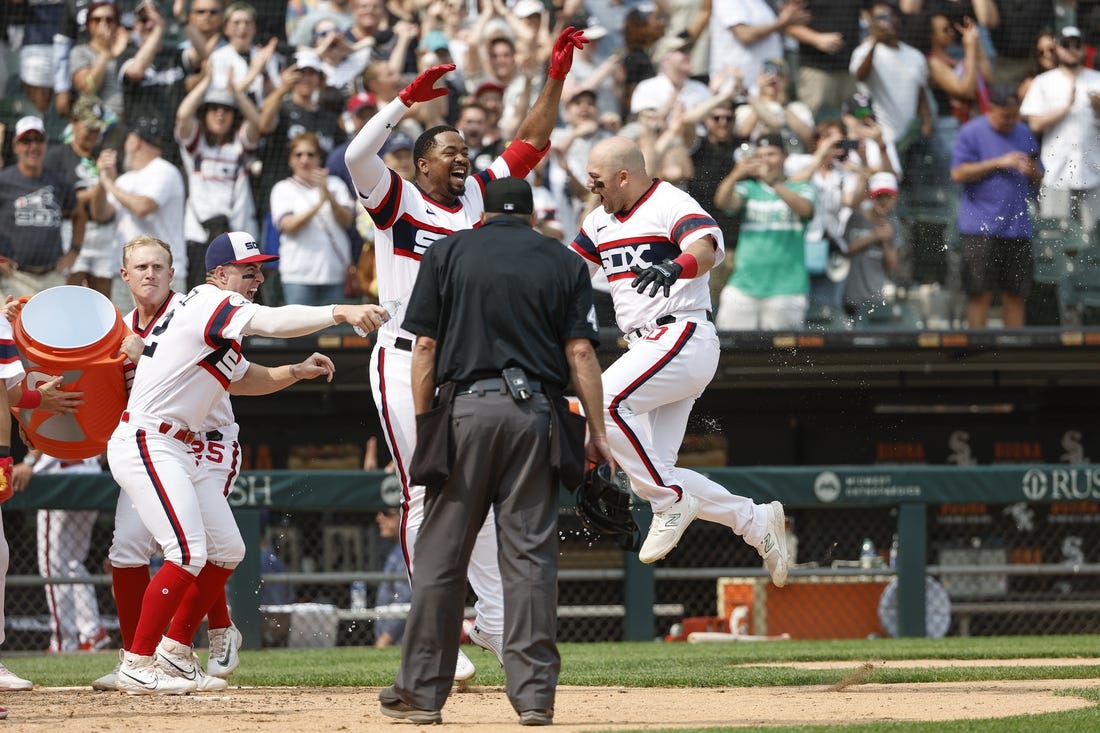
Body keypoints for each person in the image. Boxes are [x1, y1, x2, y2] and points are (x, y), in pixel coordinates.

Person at [344, 27, 589, 684]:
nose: (461, 157)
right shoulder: (397, 200)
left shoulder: (480, 193)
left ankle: (489, 621)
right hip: (402, 358)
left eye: (463, 150)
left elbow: (532, 142)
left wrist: (555, 77)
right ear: (421, 163)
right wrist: (403, 102)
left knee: (469, 493)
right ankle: (437, 640)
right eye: (448, 150)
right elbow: (354, 155)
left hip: (459, 365)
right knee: (427, 490)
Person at [106, 232, 387, 694]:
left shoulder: (205, 316)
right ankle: (137, 661)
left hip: (178, 445)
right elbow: (273, 322)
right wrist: (340, 311)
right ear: (219, 274)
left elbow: (244, 378)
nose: (257, 278)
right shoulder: (210, 302)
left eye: (260, 270)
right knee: (186, 552)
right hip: (149, 438)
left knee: (228, 550)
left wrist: (294, 371)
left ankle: (176, 654)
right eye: (247, 270)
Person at [379, 176, 610, 726]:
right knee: (529, 558)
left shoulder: (450, 251)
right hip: (537, 417)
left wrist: (426, 420)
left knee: (441, 557)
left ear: (483, 215)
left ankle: (420, 693)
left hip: (467, 411)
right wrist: (597, 431)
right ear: (531, 217)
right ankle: (533, 698)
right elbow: (580, 352)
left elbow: (425, 346)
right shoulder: (565, 262)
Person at [568, 136, 791, 577]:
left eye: (598, 181)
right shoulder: (600, 221)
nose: (593, 188)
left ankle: (669, 500)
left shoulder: (670, 200)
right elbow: (567, 270)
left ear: (624, 176)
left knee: (605, 402)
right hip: (651, 347)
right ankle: (754, 520)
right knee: (654, 469)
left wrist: (675, 266)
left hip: (682, 333)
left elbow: (704, 248)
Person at [950, 84, 1042, 328]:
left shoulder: (1023, 132)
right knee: (980, 293)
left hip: (1018, 227)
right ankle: (976, 353)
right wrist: (999, 162)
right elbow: (958, 173)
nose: (1010, 120)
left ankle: (1014, 354)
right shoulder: (972, 132)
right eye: (1005, 115)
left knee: (1015, 294)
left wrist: (1031, 170)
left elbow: (1039, 174)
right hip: (980, 227)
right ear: (990, 109)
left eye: (1014, 115)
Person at [714, 133, 817, 330]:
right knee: (729, 351)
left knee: (781, 358)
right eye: (760, 155)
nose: (765, 160)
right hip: (743, 286)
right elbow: (723, 202)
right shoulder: (749, 188)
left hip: (786, 289)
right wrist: (735, 174)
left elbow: (806, 210)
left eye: (771, 154)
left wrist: (774, 183)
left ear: (785, 156)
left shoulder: (801, 187)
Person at [176, 69, 262, 291]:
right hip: (199, 235)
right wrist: (205, 81)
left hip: (234, 236)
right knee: (201, 295)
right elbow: (183, 115)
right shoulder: (196, 146)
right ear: (204, 113)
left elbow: (256, 122)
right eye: (213, 109)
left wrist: (236, 92)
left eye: (226, 110)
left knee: (237, 298)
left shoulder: (238, 146)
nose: (220, 115)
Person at [90, 115, 188, 293]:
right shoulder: (125, 180)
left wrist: (109, 184)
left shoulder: (164, 170)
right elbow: (100, 214)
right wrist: (102, 180)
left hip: (160, 275)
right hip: (127, 275)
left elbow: (143, 207)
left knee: (162, 322)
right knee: (126, 322)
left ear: (135, 141)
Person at [27, 452, 109, 653]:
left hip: (57, 479)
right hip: (91, 474)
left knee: (53, 566)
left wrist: (28, 461)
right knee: (73, 562)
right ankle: (91, 632)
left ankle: (64, 641)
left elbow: (45, 429)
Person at [1019, 26, 1100, 231]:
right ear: (1057, 48)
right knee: (1053, 239)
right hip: (1056, 174)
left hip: (1093, 173)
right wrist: (1065, 107)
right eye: (1066, 44)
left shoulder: (1097, 80)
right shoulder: (1043, 82)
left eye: (1077, 45)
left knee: (1092, 243)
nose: (1072, 49)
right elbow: (1034, 124)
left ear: (1084, 48)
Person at [0, 116, 83, 298]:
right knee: (11, 327)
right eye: (26, 140)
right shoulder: (4, 182)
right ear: (16, 146)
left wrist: (74, 251)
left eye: (38, 140)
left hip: (52, 277)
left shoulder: (59, 182)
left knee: (52, 327)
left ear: (46, 144)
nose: (33, 146)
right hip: (15, 278)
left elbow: (79, 214)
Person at [44, 95, 117, 299]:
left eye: (97, 128)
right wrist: (96, 189)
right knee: (71, 295)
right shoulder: (57, 157)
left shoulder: (104, 155)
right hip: (72, 229)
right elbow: (57, 198)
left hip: (104, 232)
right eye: (88, 127)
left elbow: (113, 193)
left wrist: (109, 176)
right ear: (73, 122)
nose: (93, 134)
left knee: (103, 300)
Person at [271, 131, 356, 306]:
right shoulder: (282, 188)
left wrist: (328, 195)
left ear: (319, 158)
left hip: (334, 272)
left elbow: (346, 220)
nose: (305, 160)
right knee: (299, 332)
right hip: (298, 275)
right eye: (298, 154)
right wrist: (318, 203)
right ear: (290, 160)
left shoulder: (335, 184)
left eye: (311, 154)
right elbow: (288, 226)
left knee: (332, 333)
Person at [849, 1, 932, 150]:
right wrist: (875, 42)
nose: (884, 22)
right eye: (879, 18)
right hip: (879, 139)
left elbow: (921, 96)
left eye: (887, 16)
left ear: (897, 19)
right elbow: (861, 75)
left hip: (910, 139)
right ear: (871, 23)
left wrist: (926, 125)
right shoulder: (863, 51)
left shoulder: (915, 56)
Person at [842, 172, 903, 317]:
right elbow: (845, 249)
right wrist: (873, 236)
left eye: (888, 196)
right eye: (879, 196)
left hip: (876, 297)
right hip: (850, 296)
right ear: (871, 196)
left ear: (895, 198)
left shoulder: (893, 225)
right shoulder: (856, 217)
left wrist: (885, 240)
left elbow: (891, 264)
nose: (883, 201)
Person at [372, 506, 411, 649]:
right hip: (396, 639)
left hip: (401, 640)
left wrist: (385, 639)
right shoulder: (397, 548)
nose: (379, 518)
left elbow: (406, 600)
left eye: (387, 513)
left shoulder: (407, 551)